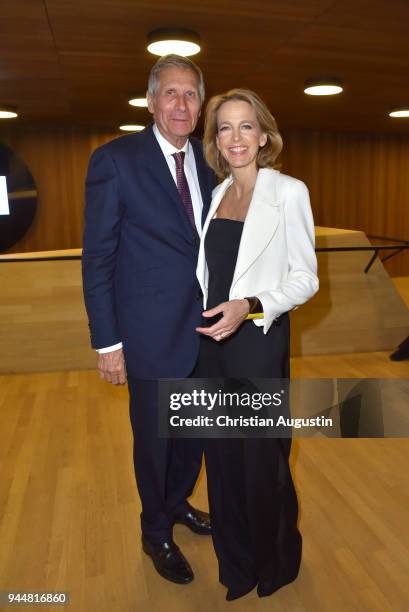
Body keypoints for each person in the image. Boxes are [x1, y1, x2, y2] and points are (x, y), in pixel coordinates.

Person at [82, 54, 216, 585]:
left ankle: (178, 503)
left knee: (193, 436)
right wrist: (107, 341)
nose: (181, 104)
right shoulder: (115, 160)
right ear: (151, 101)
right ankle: (155, 530)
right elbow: (99, 257)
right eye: (171, 93)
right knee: (156, 440)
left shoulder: (212, 161)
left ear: (201, 106)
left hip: (207, 331)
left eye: (190, 95)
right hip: (147, 333)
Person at [195, 89, 319, 600]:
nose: (236, 137)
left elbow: (305, 279)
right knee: (222, 462)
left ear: (263, 135)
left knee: (262, 460)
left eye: (246, 126)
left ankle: (276, 562)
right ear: (216, 141)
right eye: (225, 127)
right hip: (212, 346)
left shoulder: (288, 191)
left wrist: (249, 304)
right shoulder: (216, 195)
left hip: (257, 341)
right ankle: (237, 567)